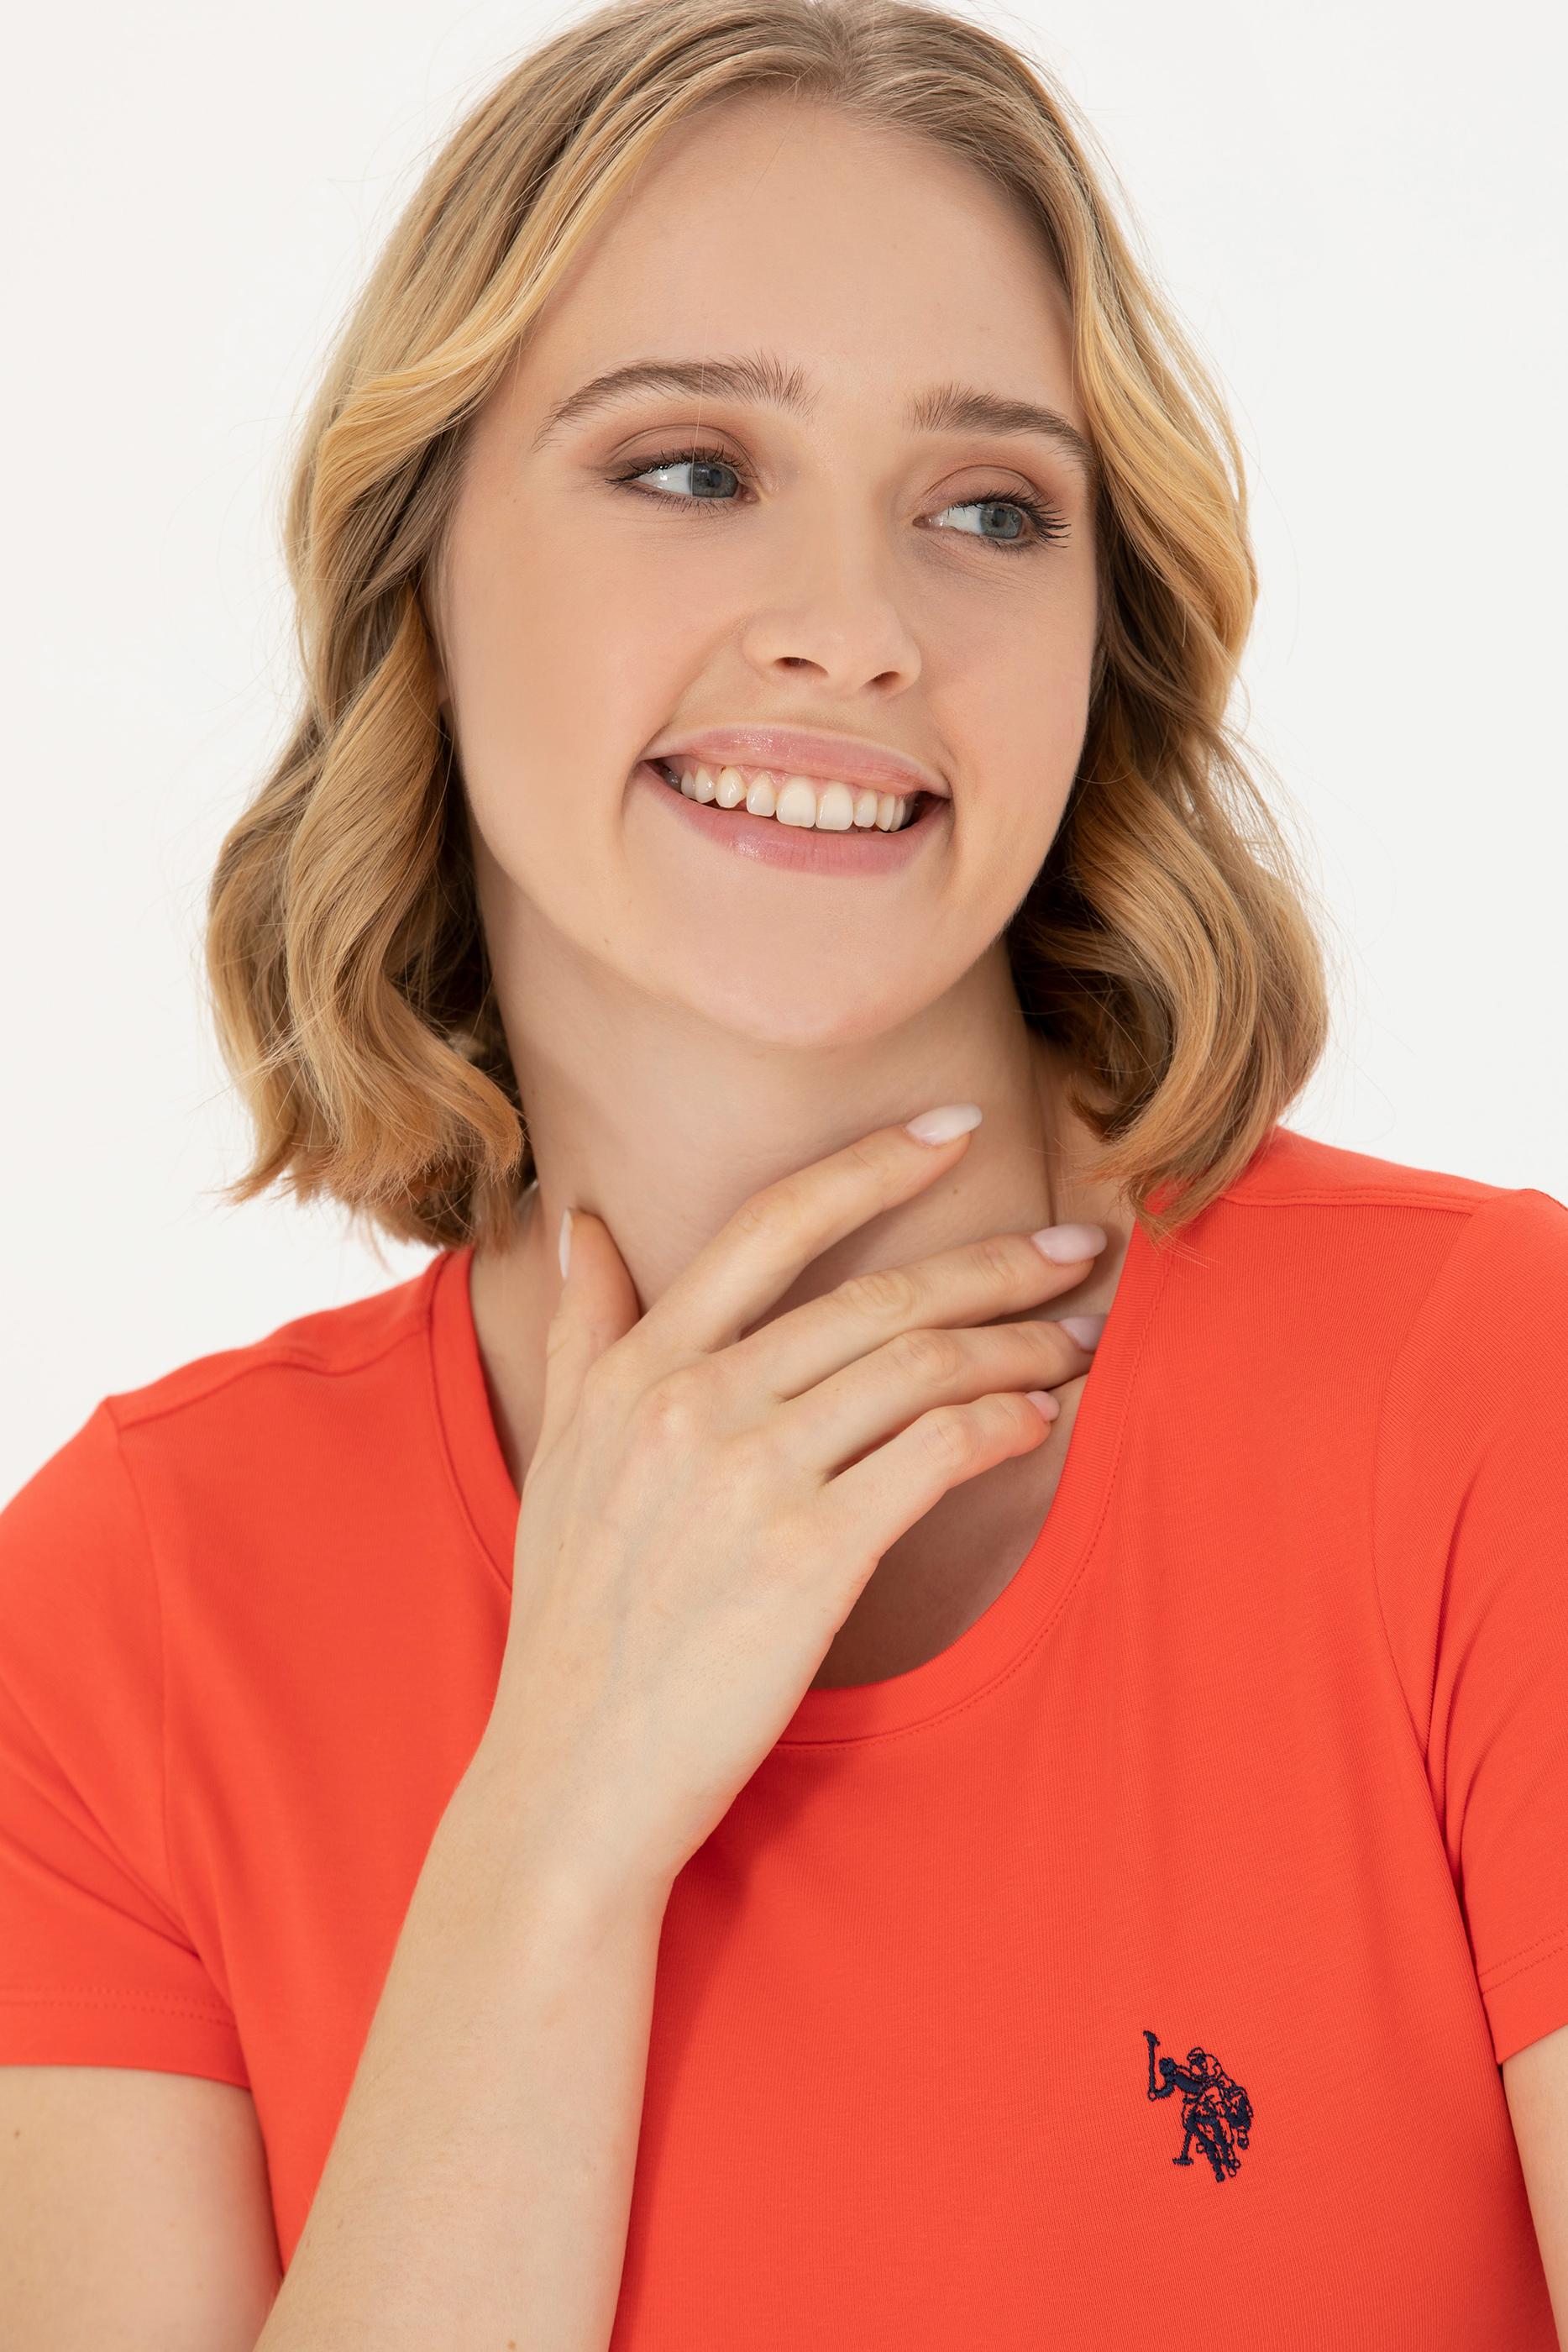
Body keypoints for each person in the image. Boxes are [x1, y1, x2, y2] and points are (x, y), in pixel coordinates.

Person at [3, 0, 1565, 2344]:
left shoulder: (1489, 1403)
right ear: (417, 563)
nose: (855, 630)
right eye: (689, 466)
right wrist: (555, 1831)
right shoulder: (121, 1626)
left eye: (989, 509)